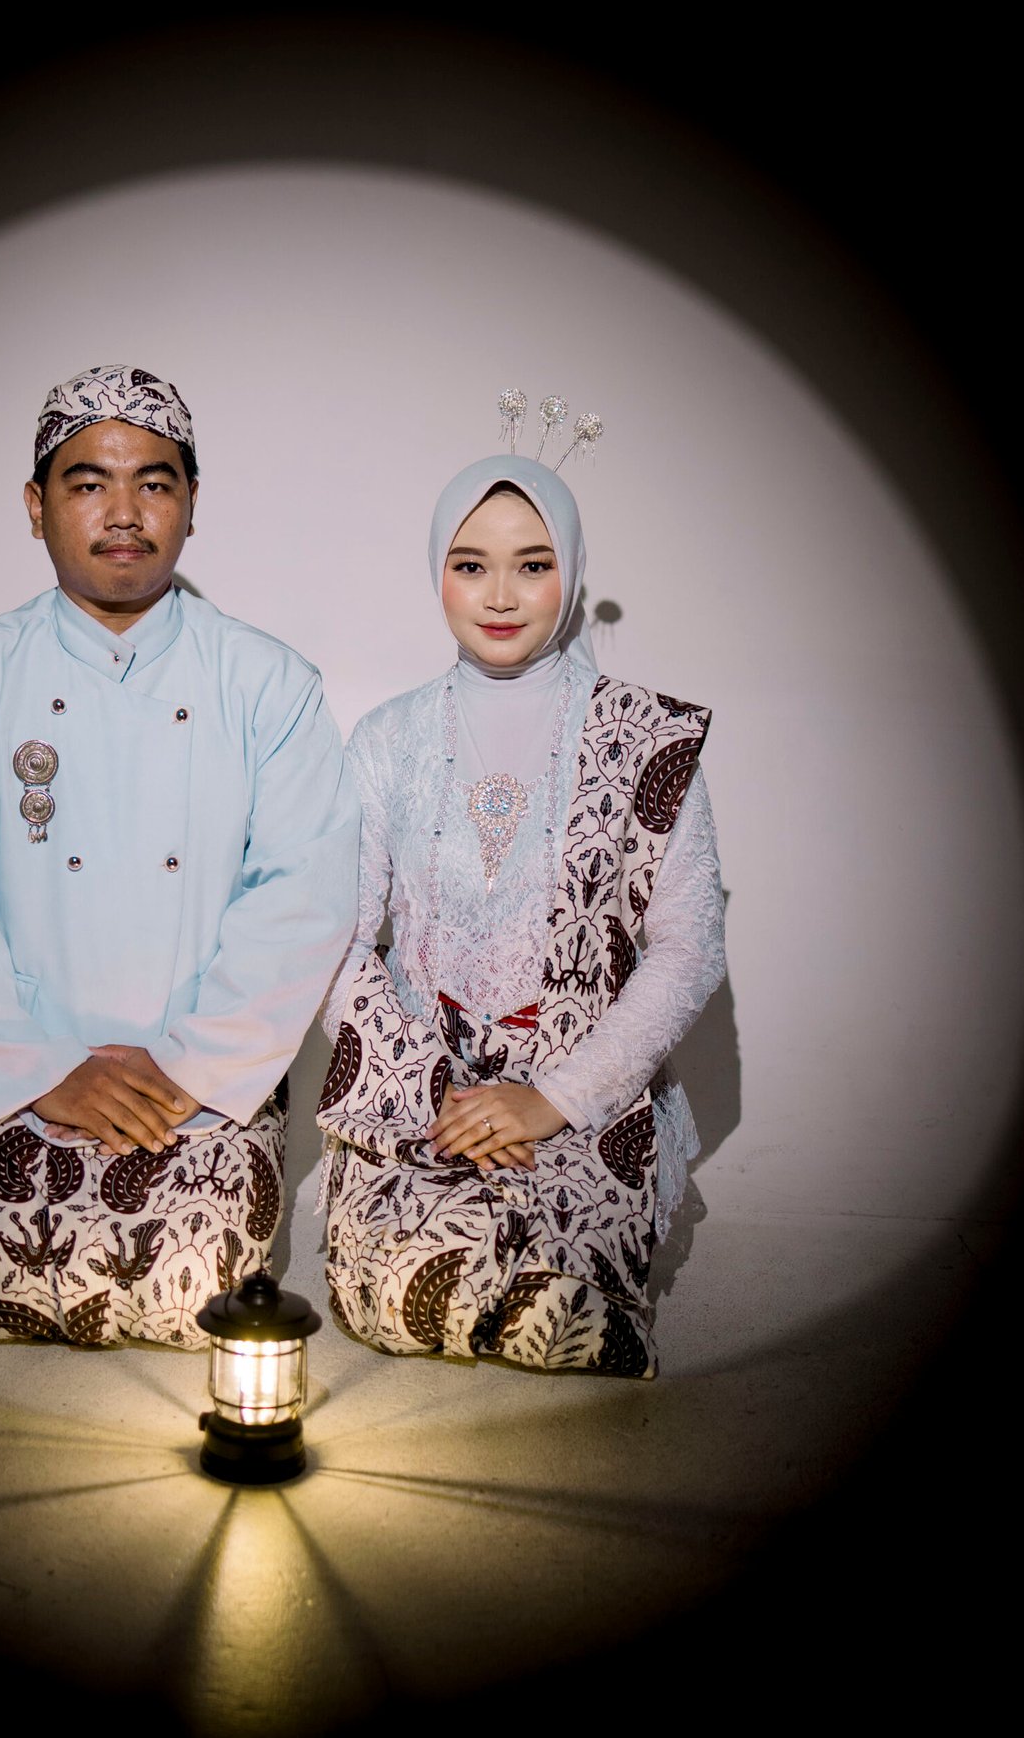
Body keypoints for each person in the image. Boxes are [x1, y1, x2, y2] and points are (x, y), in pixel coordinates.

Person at [0, 365, 357, 1347]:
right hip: (19, 1074)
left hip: (205, 1082)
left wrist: (191, 1065)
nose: (124, 512)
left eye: (155, 482)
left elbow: (305, 891)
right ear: (35, 505)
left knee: (202, 1293)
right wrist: (45, 1070)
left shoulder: (269, 683)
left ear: (192, 504)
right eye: (89, 482)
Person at [316, 449, 725, 1375]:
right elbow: (335, 937)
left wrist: (553, 1099)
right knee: (389, 1284)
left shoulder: (644, 739)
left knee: (564, 1277)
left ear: (570, 572)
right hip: (427, 1084)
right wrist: (428, 1087)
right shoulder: (387, 739)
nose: (500, 595)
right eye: (471, 565)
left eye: (532, 564)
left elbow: (688, 947)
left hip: (583, 1079)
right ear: (438, 572)